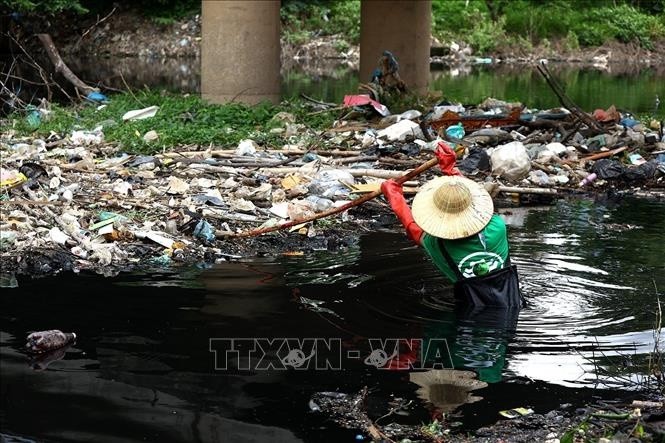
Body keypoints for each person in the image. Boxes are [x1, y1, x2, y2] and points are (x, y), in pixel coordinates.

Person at [380, 142, 523, 307]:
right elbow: (475, 205)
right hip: (514, 307)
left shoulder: (438, 245)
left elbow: (413, 228)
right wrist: (450, 168)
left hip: (471, 319)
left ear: (439, 216)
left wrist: (394, 196)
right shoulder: (498, 227)